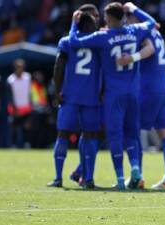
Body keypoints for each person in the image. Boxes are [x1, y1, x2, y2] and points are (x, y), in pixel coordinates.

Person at [68, 2, 156, 189]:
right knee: (132, 135)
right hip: (133, 92)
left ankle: (119, 180)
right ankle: (135, 169)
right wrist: (133, 9)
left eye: (106, 18)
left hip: (113, 94)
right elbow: (152, 22)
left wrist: (74, 24)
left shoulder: (103, 36)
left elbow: (74, 42)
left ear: (110, 19)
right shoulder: (134, 31)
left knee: (115, 136)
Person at [118, 8, 165, 190]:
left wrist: (132, 58)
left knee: (133, 130)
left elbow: (149, 49)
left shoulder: (141, 31)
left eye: (128, 18)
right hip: (164, 86)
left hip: (148, 87)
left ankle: (139, 177)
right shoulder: (157, 32)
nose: (127, 23)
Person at [47, 9, 101, 189]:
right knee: (90, 135)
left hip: (69, 96)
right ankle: (88, 178)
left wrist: (57, 91)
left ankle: (57, 177)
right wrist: (102, 93)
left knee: (62, 134)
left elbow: (58, 67)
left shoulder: (66, 42)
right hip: (91, 98)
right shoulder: (99, 43)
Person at [7, 59, 32, 148]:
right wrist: (14, 107)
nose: (20, 69)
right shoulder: (11, 79)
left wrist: (30, 104)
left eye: (21, 67)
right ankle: (13, 145)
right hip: (15, 107)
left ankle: (27, 144)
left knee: (27, 127)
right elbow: (10, 95)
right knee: (14, 128)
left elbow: (30, 92)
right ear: (15, 68)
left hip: (26, 106)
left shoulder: (28, 77)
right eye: (18, 67)